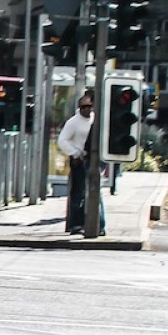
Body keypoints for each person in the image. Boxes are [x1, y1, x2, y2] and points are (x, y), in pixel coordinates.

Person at [58, 93, 105, 235]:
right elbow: (62, 140)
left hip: (94, 159)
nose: (87, 109)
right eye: (84, 107)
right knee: (79, 193)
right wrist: (74, 153)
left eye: (89, 106)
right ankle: (76, 224)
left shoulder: (96, 120)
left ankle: (100, 225)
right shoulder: (73, 122)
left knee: (96, 192)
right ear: (79, 107)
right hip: (80, 159)